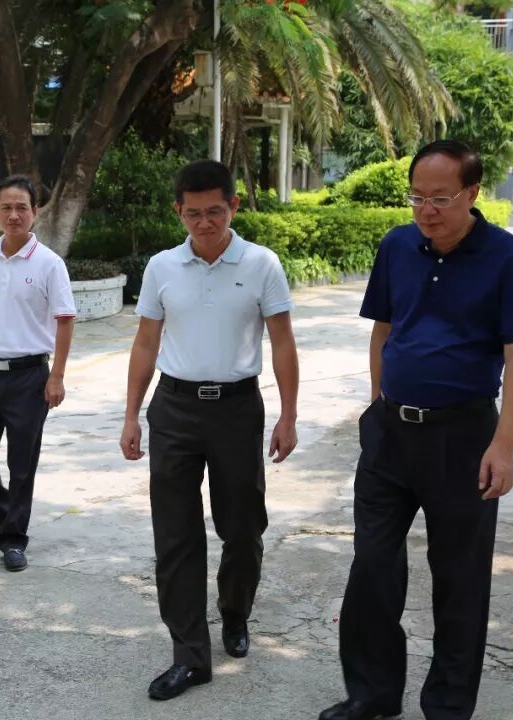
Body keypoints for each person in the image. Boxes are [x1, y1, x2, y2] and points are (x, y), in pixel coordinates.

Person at [319, 141, 513, 720]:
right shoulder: (396, 246)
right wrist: (377, 404)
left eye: (440, 199)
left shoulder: (509, 258)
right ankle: (372, 693)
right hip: (390, 434)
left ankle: (447, 705)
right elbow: (383, 330)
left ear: (473, 194)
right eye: (417, 197)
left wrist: (504, 445)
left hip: (464, 438)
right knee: (372, 566)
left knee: (459, 578)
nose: (427, 210)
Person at [120, 159, 299, 701]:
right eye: (193, 213)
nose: (205, 223)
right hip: (173, 409)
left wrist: (289, 415)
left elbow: (282, 342)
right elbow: (146, 343)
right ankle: (190, 655)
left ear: (234, 207)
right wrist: (131, 414)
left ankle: (235, 611)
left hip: (237, 411)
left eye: (215, 212)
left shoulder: (262, 264)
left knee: (242, 528)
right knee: (175, 535)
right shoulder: (162, 267)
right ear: (179, 211)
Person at [0, 174, 76, 572]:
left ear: (35, 212)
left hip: (30, 376)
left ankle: (12, 538)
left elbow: (65, 320)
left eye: (21, 207)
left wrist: (57, 375)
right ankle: (0, 509)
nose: (14, 215)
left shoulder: (49, 264)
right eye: (6, 208)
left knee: (21, 463)